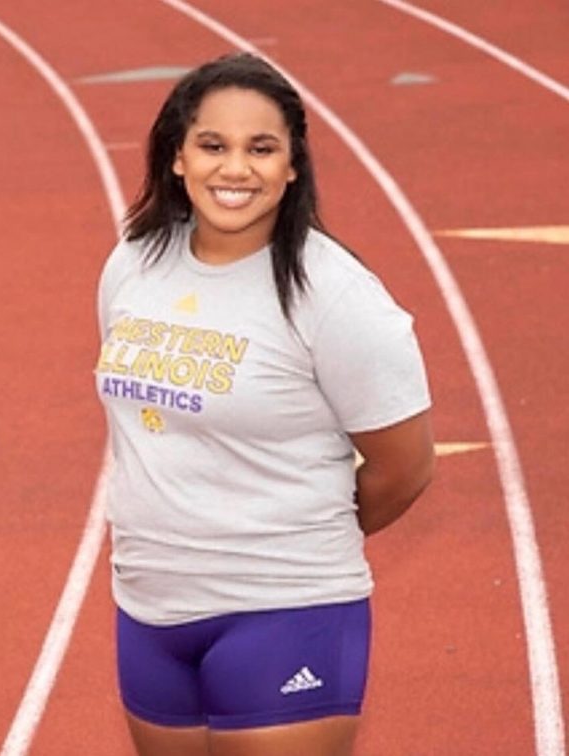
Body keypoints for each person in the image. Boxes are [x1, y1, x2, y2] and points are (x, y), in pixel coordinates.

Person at [95, 52, 434, 756]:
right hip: (150, 608)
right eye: (213, 145)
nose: (236, 169)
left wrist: (291, 538)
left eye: (262, 148)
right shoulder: (134, 262)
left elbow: (403, 466)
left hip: (285, 608)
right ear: (177, 157)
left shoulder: (334, 295)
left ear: (291, 166)